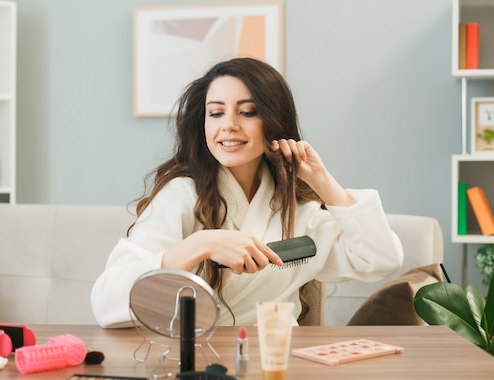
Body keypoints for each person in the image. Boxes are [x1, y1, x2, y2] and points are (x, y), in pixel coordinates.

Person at [91, 57, 403, 328]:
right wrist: (202, 243)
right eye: (215, 113)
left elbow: (381, 259)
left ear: (273, 123)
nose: (228, 125)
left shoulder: (298, 209)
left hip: (278, 359)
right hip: (200, 359)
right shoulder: (182, 195)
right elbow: (107, 300)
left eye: (248, 112)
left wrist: (322, 181)